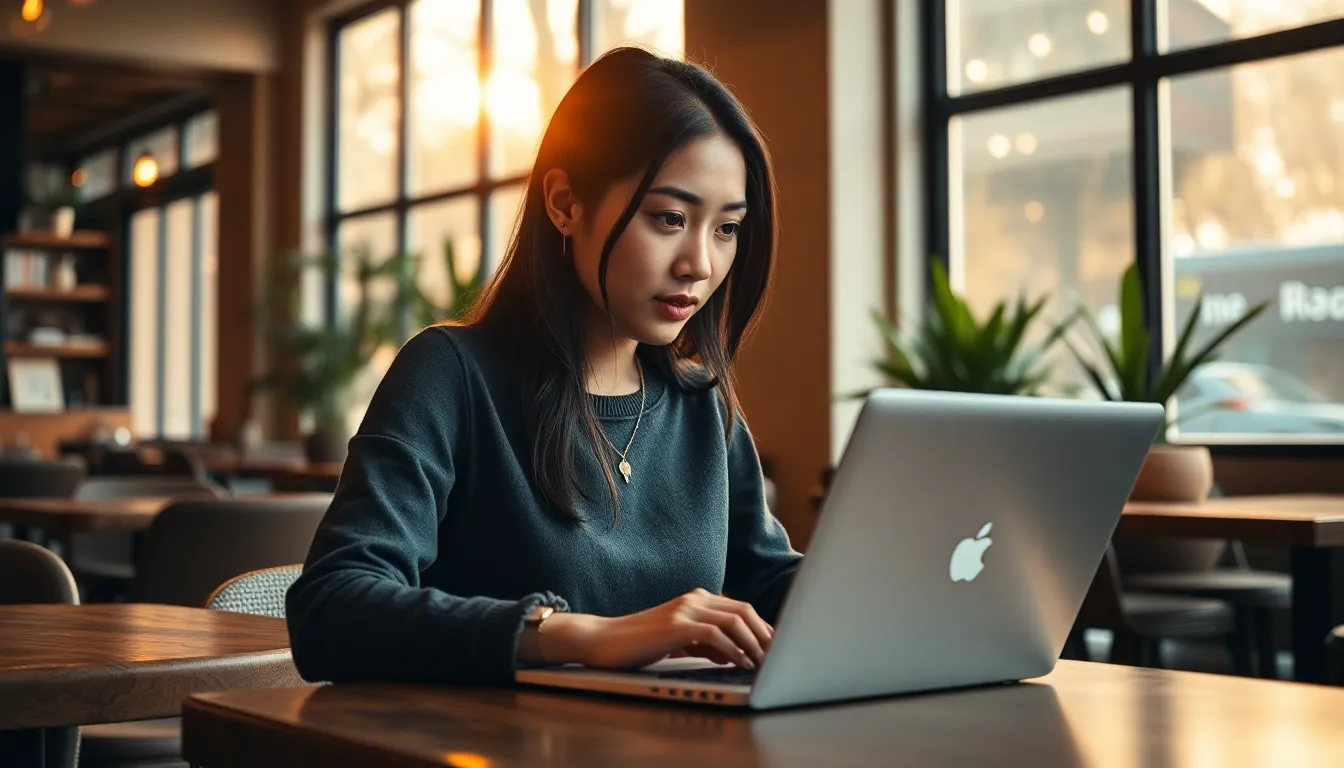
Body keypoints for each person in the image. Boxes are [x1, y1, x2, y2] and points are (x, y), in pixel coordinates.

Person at [286, 46, 802, 685]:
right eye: (669, 218)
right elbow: (331, 608)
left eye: (726, 229)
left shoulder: (703, 404)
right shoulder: (452, 376)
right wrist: (585, 637)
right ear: (565, 203)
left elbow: (771, 581)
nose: (699, 262)